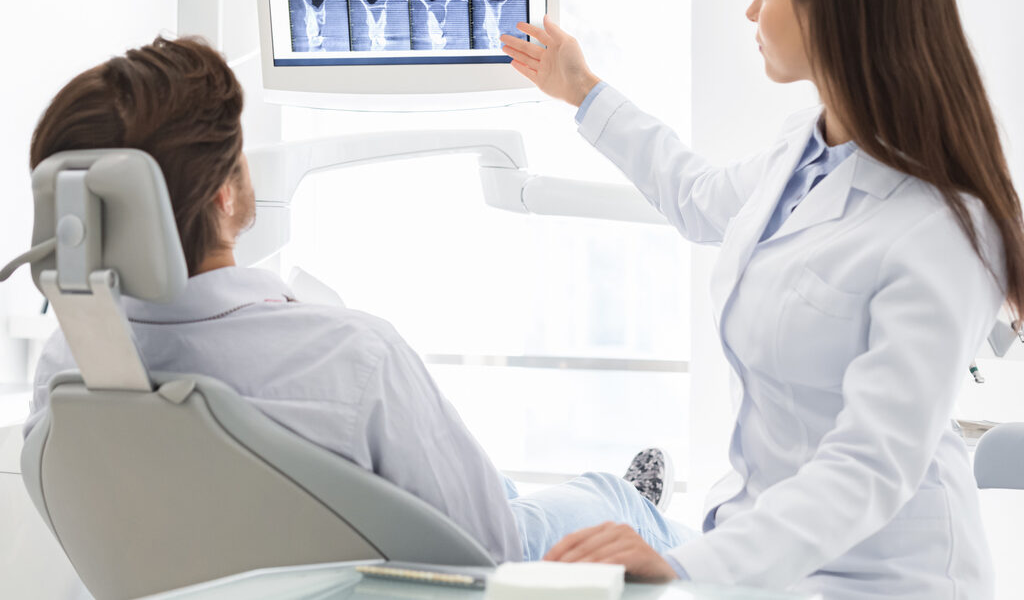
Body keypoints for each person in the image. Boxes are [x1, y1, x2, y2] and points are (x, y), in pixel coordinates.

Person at [501, 0, 1023, 598]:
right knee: (574, 505)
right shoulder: (807, 151)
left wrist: (685, 566)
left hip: (867, 577)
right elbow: (697, 197)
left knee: (578, 540)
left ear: (830, 10)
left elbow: (868, 468)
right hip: (752, 542)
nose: (750, 10)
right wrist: (583, 90)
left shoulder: (939, 230)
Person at [22, 35, 687, 567]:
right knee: (596, 498)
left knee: (492, 484)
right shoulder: (352, 358)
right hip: (436, 571)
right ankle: (632, 502)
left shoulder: (67, 370)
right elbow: (495, 554)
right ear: (225, 197)